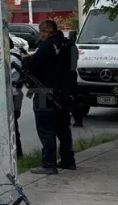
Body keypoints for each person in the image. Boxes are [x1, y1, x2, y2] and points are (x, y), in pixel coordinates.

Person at [22, 19, 76, 174]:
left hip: (45, 92)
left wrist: (28, 60)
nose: (41, 35)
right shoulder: (69, 46)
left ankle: (48, 164)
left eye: (42, 32)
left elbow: (34, 68)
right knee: (63, 128)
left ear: (45, 32)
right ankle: (68, 160)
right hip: (65, 93)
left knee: (46, 128)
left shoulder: (45, 46)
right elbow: (72, 68)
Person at [9, 46, 26, 158]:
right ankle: (17, 153)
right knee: (13, 123)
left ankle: (17, 153)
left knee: (12, 124)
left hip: (13, 94)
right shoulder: (16, 56)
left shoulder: (11, 59)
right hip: (16, 94)